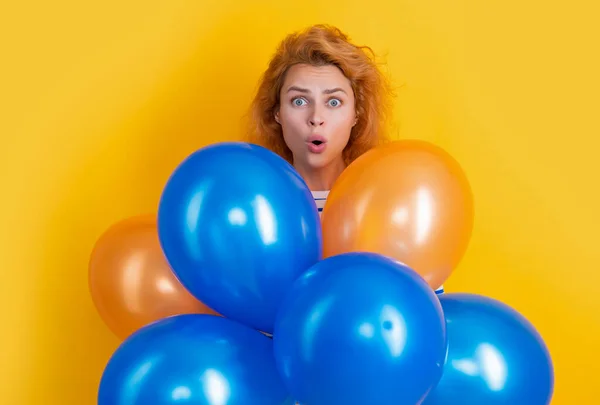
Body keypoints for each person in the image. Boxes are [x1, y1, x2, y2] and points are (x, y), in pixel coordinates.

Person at [247, 24, 443, 295]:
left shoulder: (388, 206)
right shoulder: (255, 209)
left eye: (334, 102)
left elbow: (425, 309)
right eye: (299, 101)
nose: (316, 117)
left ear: (356, 115)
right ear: (277, 112)